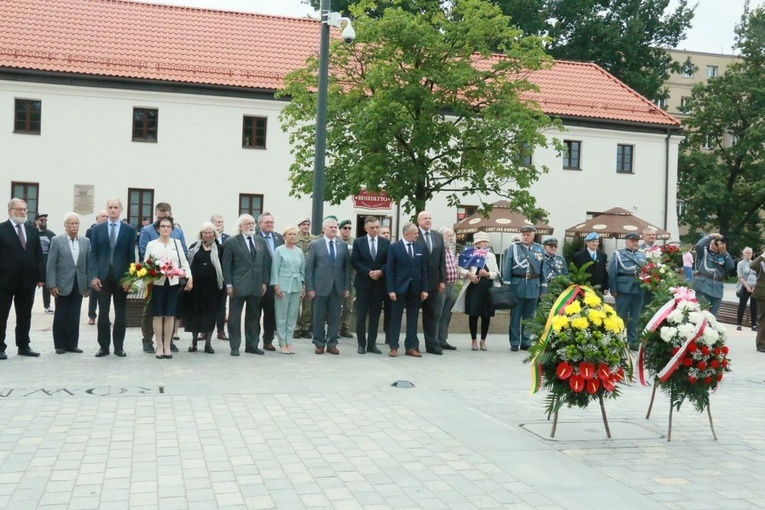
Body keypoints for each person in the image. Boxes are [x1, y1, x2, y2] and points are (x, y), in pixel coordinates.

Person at [89, 197, 136, 358]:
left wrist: (130, 279)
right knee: (103, 312)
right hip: (102, 277)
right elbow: (93, 254)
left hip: (121, 277)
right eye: (110, 207)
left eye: (116, 207)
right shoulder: (97, 229)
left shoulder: (129, 230)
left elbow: (131, 256)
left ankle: (119, 346)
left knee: (120, 312)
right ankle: (103, 346)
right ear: (106, 209)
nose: (113, 210)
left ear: (121, 210)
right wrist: (94, 276)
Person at [0, 198, 45, 359]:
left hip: (27, 281)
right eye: (19, 209)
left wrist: (41, 277)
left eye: (25, 209)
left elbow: (38, 254)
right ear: (10, 211)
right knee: (2, 314)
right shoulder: (2, 229)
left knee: (25, 314)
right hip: (5, 281)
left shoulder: (32, 230)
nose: (22, 212)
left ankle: (23, 345)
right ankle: (0, 347)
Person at [139, 202, 187, 353]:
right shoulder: (147, 231)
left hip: (172, 280)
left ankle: (169, 341)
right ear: (156, 215)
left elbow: (183, 253)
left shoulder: (178, 232)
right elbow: (144, 253)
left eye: (166, 218)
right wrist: (159, 268)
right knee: (152, 311)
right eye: (160, 218)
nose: (164, 224)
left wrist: (179, 271)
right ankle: (148, 340)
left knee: (170, 312)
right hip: (155, 278)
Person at [222, 214, 272, 356]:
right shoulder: (232, 242)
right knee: (234, 317)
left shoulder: (260, 241)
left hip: (256, 285)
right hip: (238, 285)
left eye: (252, 223)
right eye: (247, 223)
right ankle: (235, 346)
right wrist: (229, 285)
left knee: (253, 316)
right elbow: (227, 265)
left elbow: (265, 263)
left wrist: (264, 282)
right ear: (240, 226)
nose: (250, 225)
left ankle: (252, 345)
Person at [145, 217, 192, 359]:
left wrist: (189, 277)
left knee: (170, 314)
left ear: (172, 229)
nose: (165, 229)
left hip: (173, 283)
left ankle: (167, 345)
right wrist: (155, 271)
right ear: (158, 229)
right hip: (157, 284)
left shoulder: (176, 243)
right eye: (163, 226)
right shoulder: (152, 244)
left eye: (168, 226)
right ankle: (159, 345)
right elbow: (146, 264)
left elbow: (184, 263)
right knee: (158, 315)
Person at [305, 216, 350, 355]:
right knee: (318, 316)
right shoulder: (316, 244)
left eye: (335, 227)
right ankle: (319, 343)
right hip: (320, 287)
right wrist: (310, 287)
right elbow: (309, 268)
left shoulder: (342, 245)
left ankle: (332, 343)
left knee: (334, 316)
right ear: (324, 229)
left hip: (337, 287)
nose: (334, 229)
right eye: (331, 227)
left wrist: (347, 287)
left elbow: (346, 268)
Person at [47, 212, 90, 354]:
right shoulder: (57, 240)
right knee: (61, 314)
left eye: (76, 223)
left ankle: (72, 344)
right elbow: (51, 264)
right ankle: (59, 344)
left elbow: (88, 264)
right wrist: (51, 284)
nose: (74, 226)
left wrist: (88, 284)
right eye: (71, 223)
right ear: (65, 226)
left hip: (79, 283)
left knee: (74, 315)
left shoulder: (85, 241)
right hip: (62, 283)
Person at [386, 222, 428, 357]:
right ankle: (393, 346)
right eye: (415, 233)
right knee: (396, 318)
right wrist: (391, 289)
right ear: (406, 234)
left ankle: (411, 346)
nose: (417, 235)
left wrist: (424, 289)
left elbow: (424, 270)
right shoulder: (394, 247)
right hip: (399, 289)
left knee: (413, 318)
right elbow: (390, 270)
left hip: (415, 289)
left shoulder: (420, 247)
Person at [453, 232, 500, 351]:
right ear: (476, 243)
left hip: (487, 287)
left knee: (486, 315)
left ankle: (483, 340)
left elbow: (497, 273)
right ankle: (473, 339)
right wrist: (468, 273)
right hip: (474, 287)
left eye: (486, 241)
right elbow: (459, 268)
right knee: (473, 314)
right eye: (482, 241)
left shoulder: (491, 256)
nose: (485, 243)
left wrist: (488, 274)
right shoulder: (468, 254)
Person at [503, 225, 547, 351]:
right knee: (515, 316)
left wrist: (543, 289)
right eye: (524, 235)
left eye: (528, 235)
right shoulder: (514, 248)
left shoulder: (539, 249)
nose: (526, 237)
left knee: (529, 316)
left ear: (534, 235)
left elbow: (543, 269)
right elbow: (507, 268)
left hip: (534, 286)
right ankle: (515, 342)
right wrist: (507, 287)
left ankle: (526, 341)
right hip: (518, 286)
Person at [183, 222, 224, 354]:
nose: (207, 235)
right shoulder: (194, 247)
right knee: (195, 314)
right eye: (205, 233)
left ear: (214, 234)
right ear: (201, 234)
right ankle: (194, 342)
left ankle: (208, 344)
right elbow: (187, 264)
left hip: (213, 289)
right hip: (195, 288)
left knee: (210, 314)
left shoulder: (220, 248)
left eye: (210, 232)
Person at [351, 216, 389, 355]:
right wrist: (368, 272)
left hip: (379, 284)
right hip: (363, 283)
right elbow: (354, 261)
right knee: (361, 315)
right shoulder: (359, 242)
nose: (375, 230)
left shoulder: (386, 243)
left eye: (377, 227)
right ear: (366, 228)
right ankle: (361, 344)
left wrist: (380, 272)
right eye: (372, 227)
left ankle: (372, 344)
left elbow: (389, 261)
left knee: (375, 315)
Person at [416, 211, 448, 355]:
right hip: (417, 282)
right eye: (425, 218)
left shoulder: (437, 236)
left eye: (430, 218)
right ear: (418, 221)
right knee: (413, 314)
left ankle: (431, 344)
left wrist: (442, 280)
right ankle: (412, 344)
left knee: (432, 314)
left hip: (434, 283)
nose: (428, 220)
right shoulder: (413, 234)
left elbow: (442, 260)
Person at [608, 232, 646, 351]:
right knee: (620, 316)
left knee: (635, 316)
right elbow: (612, 273)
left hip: (638, 289)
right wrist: (613, 289)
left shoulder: (642, 255)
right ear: (626, 242)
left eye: (636, 241)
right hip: (623, 290)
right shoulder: (618, 254)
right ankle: (616, 339)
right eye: (632, 241)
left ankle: (633, 341)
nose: (634, 243)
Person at [271, 225, 305, 354]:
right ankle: (282, 343)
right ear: (284, 236)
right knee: (282, 316)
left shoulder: (299, 251)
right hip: (283, 286)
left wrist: (303, 285)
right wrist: (276, 285)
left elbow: (302, 270)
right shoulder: (279, 250)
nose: (292, 236)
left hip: (296, 286)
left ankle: (289, 342)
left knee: (292, 317)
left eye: (294, 234)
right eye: (289, 234)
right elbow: (275, 269)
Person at [257, 212, 284, 351]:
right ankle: (253, 341)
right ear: (260, 223)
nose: (269, 225)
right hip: (258, 282)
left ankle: (268, 340)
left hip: (274, 282)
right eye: (267, 222)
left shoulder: (279, 238)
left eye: (271, 222)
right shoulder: (254, 237)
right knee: (255, 313)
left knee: (271, 313)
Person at [692, 233, 734, 317]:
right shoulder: (703, 252)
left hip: (717, 290)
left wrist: (724, 252)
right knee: (701, 315)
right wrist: (711, 236)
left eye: (720, 244)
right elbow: (699, 245)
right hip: (703, 288)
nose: (717, 245)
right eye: (716, 243)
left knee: (712, 317)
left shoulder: (723, 256)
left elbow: (730, 266)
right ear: (711, 243)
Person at [437, 226, 459, 350]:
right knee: (437, 314)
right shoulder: (438, 250)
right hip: (442, 286)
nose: (451, 238)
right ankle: (434, 340)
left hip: (452, 285)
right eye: (449, 235)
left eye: (452, 236)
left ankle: (443, 340)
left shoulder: (450, 250)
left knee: (446, 314)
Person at [294, 217, 315, 340]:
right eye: (303, 224)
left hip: (310, 273)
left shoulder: (314, 239)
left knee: (308, 303)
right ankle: (296, 327)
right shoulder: (294, 238)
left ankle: (305, 327)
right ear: (299, 226)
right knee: (296, 302)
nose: (306, 226)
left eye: (308, 224)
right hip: (296, 273)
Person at [85, 209, 107, 325]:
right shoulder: (91, 231)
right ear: (97, 219)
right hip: (95, 265)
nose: (105, 218)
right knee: (94, 292)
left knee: (105, 293)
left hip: (107, 266)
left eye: (106, 216)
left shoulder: (110, 230)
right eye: (102, 216)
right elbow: (89, 249)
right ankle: (92, 315)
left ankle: (105, 317)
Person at [211, 214, 230, 341]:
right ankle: (204, 331)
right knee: (207, 304)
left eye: (222, 222)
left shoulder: (228, 239)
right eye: (218, 222)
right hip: (209, 276)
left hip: (223, 277)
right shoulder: (206, 237)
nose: (221, 224)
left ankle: (221, 330)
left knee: (221, 305)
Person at [35, 213, 56, 313]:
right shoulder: (32, 233)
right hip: (34, 265)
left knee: (47, 287)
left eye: (45, 220)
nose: (43, 222)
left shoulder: (51, 235)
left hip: (46, 264)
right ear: (36, 221)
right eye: (41, 220)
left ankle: (47, 305)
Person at [338, 219, 356, 338]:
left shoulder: (355, 242)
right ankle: (336, 328)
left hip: (352, 277)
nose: (348, 230)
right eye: (345, 228)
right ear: (340, 230)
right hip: (339, 277)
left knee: (349, 305)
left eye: (349, 228)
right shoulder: (337, 242)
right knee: (338, 305)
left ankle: (345, 328)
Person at [736, 247, 757, 331]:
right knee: (742, 305)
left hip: (754, 288)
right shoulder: (741, 263)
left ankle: (754, 325)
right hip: (744, 287)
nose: (749, 254)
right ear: (744, 253)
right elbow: (740, 276)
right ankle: (739, 324)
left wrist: (754, 287)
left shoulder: (755, 263)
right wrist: (747, 286)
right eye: (747, 253)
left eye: (750, 253)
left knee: (754, 306)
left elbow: (758, 276)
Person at [748, 251, 765, 353]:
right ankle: (761, 344)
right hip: (762, 295)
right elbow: (752, 265)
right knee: (763, 319)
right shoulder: (761, 263)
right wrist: (763, 255)